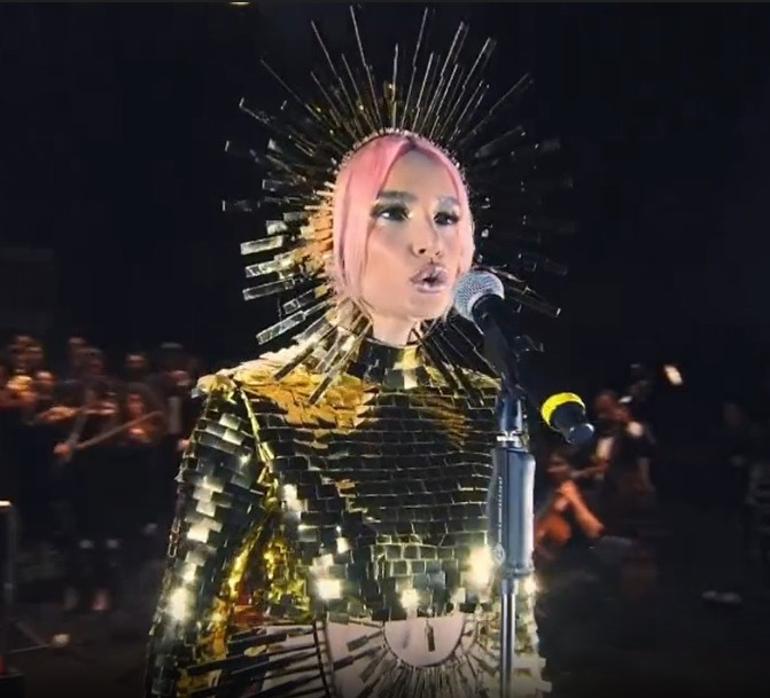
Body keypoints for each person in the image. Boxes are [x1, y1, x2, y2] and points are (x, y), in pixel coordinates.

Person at [147, 11, 568, 697]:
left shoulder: (489, 406)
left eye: (447, 217)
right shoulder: (256, 406)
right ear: (342, 234)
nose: (428, 242)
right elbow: (189, 628)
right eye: (393, 212)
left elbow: (512, 617)